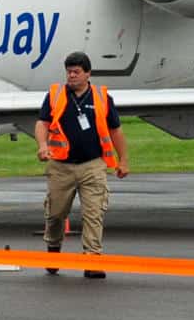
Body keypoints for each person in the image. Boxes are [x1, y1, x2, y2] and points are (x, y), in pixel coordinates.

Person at [35, 50, 129, 280]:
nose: (71, 76)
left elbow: (116, 130)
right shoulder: (55, 95)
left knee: (93, 213)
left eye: (76, 72)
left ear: (88, 73)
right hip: (61, 166)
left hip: (93, 165)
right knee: (56, 214)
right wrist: (42, 145)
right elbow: (42, 123)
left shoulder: (102, 98)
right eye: (69, 72)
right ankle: (54, 250)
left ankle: (92, 259)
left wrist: (123, 160)